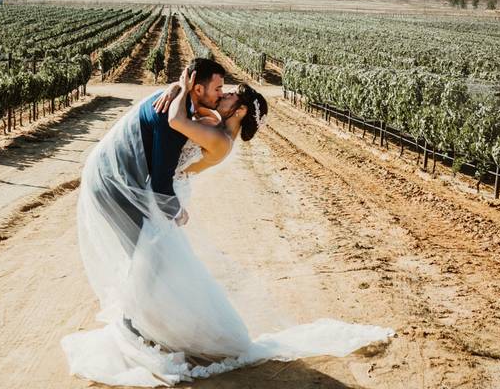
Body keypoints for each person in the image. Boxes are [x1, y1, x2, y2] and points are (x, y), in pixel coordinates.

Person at [62, 61, 392, 387]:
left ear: (241, 113)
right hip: (162, 197)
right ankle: (149, 325)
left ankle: (148, 326)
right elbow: (180, 119)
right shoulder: (213, 122)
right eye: (222, 88)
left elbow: (176, 122)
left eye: (231, 94)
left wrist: (181, 86)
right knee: (153, 263)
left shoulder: (220, 140)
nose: (227, 93)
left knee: (153, 263)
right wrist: (180, 87)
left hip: (165, 197)